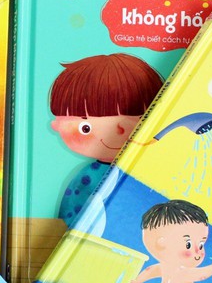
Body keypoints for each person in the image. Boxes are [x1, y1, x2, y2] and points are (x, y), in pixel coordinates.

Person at [49, 53, 163, 227]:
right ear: (57, 125)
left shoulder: (153, 172)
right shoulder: (87, 178)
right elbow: (69, 220)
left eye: (141, 119)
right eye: (85, 127)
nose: (119, 130)